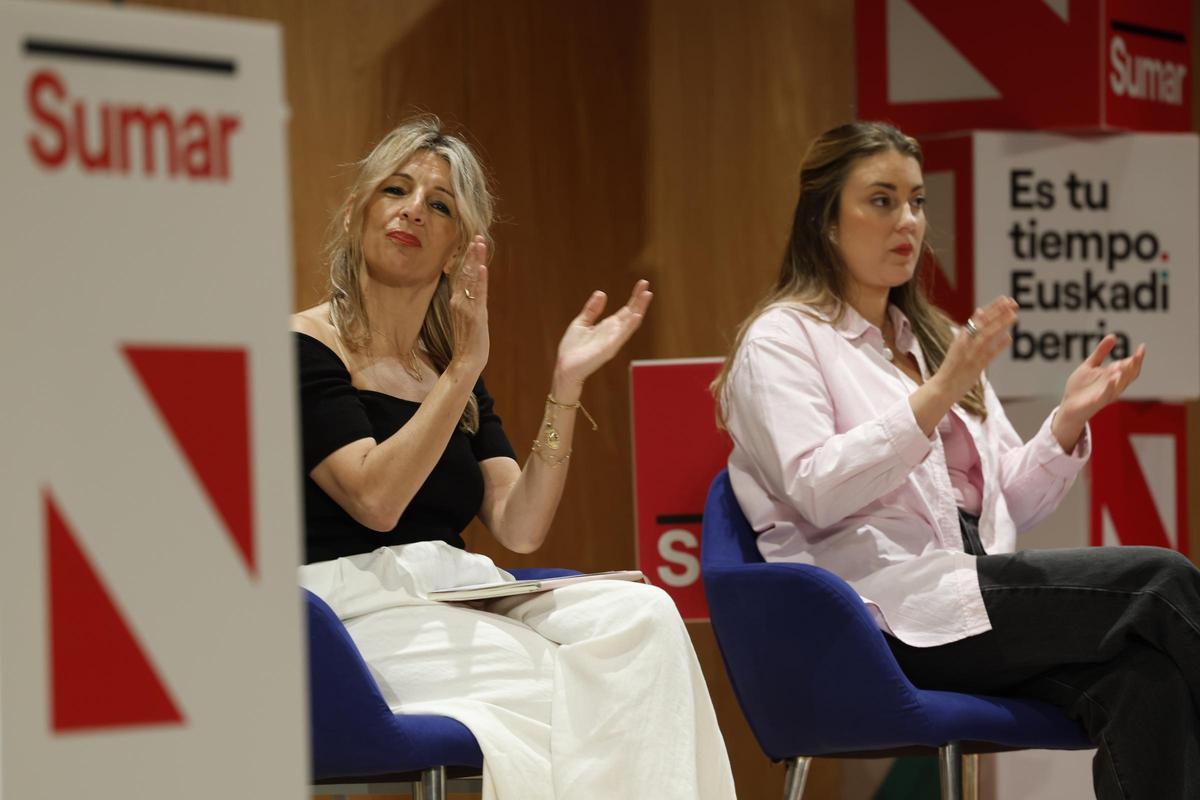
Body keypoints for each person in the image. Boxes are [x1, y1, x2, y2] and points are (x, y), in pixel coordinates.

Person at [713, 121, 1198, 799]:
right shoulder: (783, 342)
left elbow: (1011, 504)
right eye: (881, 201)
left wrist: (1065, 422)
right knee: (1160, 582)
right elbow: (818, 488)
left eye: (916, 200)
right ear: (825, 219)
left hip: (972, 602)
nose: (907, 220)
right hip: (879, 619)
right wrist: (937, 396)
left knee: (1150, 683)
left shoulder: (934, 340)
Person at [293, 116, 735, 800]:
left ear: (456, 252)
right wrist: (463, 369)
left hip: (454, 592)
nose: (414, 208)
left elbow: (519, 525)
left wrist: (565, 387)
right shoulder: (307, 345)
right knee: (567, 683)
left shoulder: (451, 372)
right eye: (396, 190)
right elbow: (375, 501)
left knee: (645, 622)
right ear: (357, 213)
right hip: (348, 609)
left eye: (439, 204)